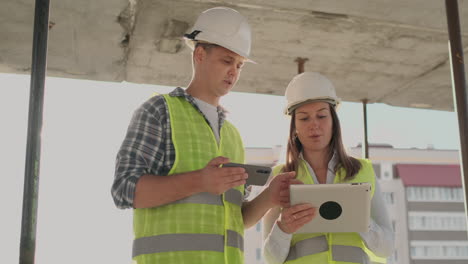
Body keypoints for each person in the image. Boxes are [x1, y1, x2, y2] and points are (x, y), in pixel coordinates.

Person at [111, 7, 294, 264]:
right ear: (199, 54)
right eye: (227, 61)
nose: (234, 72)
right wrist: (199, 181)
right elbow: (124, 190)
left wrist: (269, 197)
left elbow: (234, 220)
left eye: (240, 65)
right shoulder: (160, 111)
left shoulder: (232, 136)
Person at [262, 72, 395, 264]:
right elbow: (270, 259)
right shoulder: (281, 177)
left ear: (334, 122)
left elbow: (386, 248)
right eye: (304, 118)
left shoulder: (363, 170)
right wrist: (283, 229)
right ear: (294, 127)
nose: (314, 125)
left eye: (322, 116)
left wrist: (359, 219)